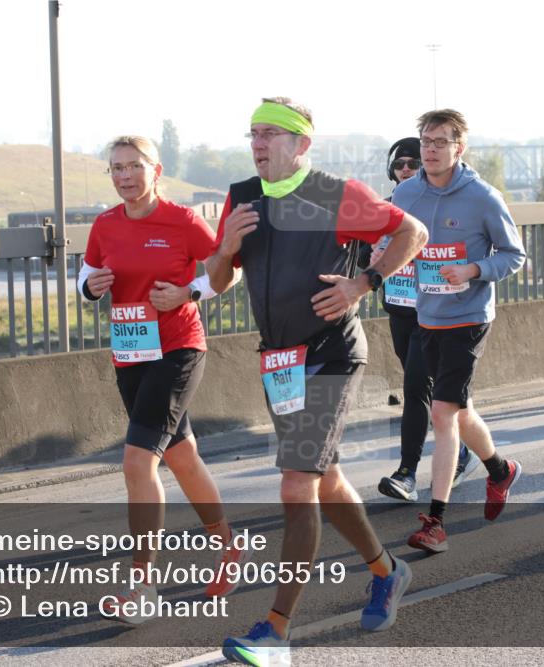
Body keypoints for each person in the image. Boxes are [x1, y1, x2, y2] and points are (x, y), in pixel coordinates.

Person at [206, 98, 428, 665]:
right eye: (253, 133)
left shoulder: (337, 194)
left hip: (331, 352)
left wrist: (364, 284)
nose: (258, 144)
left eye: (271, 135)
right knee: (324, 478)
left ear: (301, 144)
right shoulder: (242, 197)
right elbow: (219, 278)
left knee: (296, 483)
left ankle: (276, 632)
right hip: (278, 361)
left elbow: (414, 232)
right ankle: (386, 571)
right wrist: (225, 246)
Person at [78, 135, 246, 626]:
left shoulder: (181, 220)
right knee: (182, 456)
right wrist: (91, 287)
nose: (125, 176)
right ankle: (230, 548)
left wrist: (190, 292)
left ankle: (142, 585)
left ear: (156, 170)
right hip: (130, 354)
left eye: (134, 166)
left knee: (136, 461)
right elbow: (86, 275)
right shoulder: (105, 224)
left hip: (178, 348)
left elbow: (226, 271)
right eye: (116, 168)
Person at [391, 109, 526, 554]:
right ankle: (500, 470)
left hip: (469, 318)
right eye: (425, 141)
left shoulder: (483, 198)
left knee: (443, 413)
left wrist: (473, 268)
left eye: (439, 142)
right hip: (426, 316)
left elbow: (513, 255)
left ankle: (436, 522)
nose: (429, 150)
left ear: (459, 148)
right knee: (461, 412)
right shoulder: (406, 193)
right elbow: (389, 240)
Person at [357, 137, 480, 502]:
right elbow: (363, 251)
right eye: (400, 165)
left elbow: (459, 245)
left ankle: (407, 473)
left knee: (415, 388)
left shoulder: (434, 206)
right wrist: (373, 256)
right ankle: (468, 455)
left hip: (434, 314)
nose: (407, 170)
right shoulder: (383, 209)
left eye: (414, 163)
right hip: (398, 309)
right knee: (443, 396)